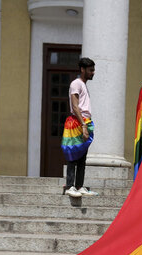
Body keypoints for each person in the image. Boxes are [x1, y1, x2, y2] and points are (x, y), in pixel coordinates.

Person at [61, 57, 98, 197]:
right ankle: (70, 186)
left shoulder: (83, 84)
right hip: (78, 121)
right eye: (91, 70)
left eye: (93, 70)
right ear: (82, 69)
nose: (93, 73)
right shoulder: (76, 83)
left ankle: (79, 185)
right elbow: (75, 106)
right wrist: (83, 125)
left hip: (85, 121)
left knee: (82, 156)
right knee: (73, 154)